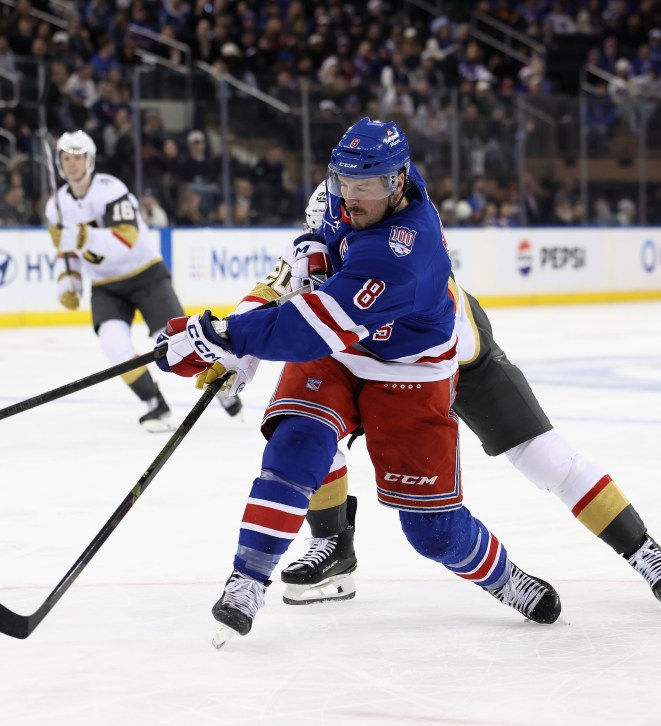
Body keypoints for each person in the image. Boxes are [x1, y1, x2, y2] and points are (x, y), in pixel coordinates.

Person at [155, 118, 563, 644]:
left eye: (365, 187)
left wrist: (226, 337)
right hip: (343, 351)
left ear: (397, 183)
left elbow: (311, 326)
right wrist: (234, 340)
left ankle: (506, 579)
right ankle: (247, 580)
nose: (350, 197)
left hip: (410, 371)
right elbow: (292, 274)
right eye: (343, 182)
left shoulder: (404, 250)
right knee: (296, 445)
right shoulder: (343, 195)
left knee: (432, 532)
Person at [268, 181, 661, 612]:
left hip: (456, 361)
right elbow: (273, 295)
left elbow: (367, 313)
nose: (342, 232)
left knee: (546, 457)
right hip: (382, 371)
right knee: (307, 426)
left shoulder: (399, 252)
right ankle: (333, 542)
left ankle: (642, 550)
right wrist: (229, 349)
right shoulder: (318, 250)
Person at [45, 130, 242, 431]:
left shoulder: (111, 189)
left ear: (90, 159)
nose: (72, 164)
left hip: (145, 274)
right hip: (105, 286)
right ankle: (154, 403)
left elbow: (127, 237)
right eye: (66, 158)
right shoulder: (55, 206)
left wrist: (82, 235)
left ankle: (220, 384)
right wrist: (68, 282)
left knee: (176, 342)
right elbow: (67, 251)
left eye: (78, 157)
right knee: (114, 346)